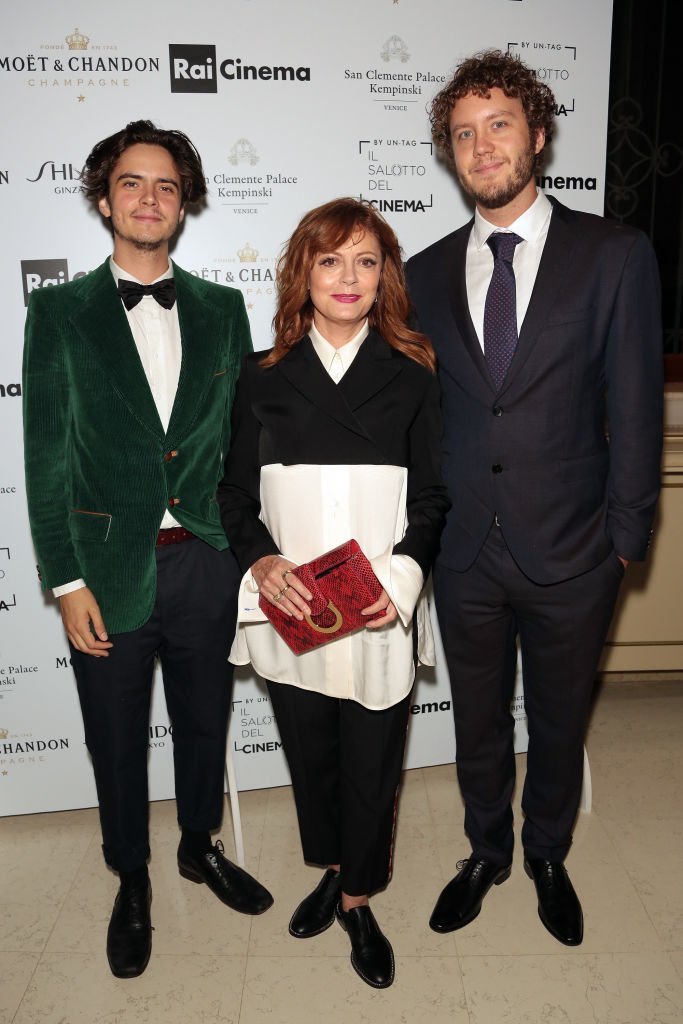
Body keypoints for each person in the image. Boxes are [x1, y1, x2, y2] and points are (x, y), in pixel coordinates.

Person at [405, 51, 663, 946]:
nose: (481, 146)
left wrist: (626, 538)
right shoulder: (423, 270)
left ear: (538, 135)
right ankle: (486, 852)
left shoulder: (614, 254)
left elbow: (633, 405)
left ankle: (546, 851)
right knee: (476, 721)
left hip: (575, 547)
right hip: (464, 548)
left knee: (558, 717)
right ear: (450, 153)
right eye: (463, 134)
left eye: (498, 125)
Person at [22, 120, 273, 980]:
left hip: (205, 559)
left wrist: (249, 556)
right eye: (132, 183)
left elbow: (242, 450)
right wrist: (64, 580)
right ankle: (131, 875)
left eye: (166, 185)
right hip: (106, 570)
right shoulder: (58, 311)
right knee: (115, 739)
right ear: (104, 198)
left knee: (207, 721)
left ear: (184, 202)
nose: (149, 197)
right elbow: (44, 458)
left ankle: (197, 846)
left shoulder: (221, 309)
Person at [218, 198, 449, 988]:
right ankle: (329, 865)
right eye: (328, 260)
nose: (346, 278)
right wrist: (260, 564)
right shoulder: (262, 374)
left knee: (371, 762)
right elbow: (231, 496)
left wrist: (403, 578)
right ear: (301, 274)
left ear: (384, 275)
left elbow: (431, 498)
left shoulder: (413, 372)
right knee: (309, 754)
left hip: (377, 603)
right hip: (295, 609)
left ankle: (358, 896)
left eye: (364, 261)